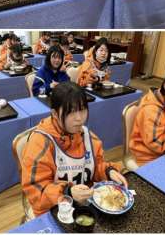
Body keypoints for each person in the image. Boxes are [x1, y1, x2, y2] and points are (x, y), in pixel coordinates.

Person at [21, 82, 128, 217]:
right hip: (54, 210)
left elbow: (96, 166)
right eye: (71, 112)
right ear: (55, 114)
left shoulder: (87, 135)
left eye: (82, 110)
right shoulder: (40, 143)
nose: (79, 118)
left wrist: (108, 171)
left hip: (83, 205)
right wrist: (67, 192)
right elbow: (36, 192)